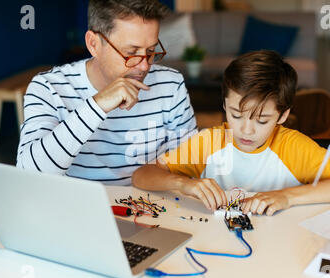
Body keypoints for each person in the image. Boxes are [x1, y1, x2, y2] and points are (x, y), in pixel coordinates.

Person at [132, 50, 330, 215]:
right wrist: (184, 184)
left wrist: (287, 197)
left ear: (283, 115)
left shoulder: (293, 147)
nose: (246, 129)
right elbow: (142, 175)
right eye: (236, 115)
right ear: (224, 105)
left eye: (262, 120)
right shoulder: (210, 142)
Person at [16, 0, 197, 184]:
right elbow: (29, 173)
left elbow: (189, 165)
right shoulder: (49, 87)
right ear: (93, 44)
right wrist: (97, 105)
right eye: (131, 53)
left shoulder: (171, 84)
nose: (144, 66)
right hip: (77, 207)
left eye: (150, 51)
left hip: (151, 206)